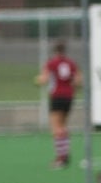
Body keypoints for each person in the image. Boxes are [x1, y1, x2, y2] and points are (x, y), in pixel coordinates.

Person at [34, 41, 81, 169]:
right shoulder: (71, 63)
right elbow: (78, 81)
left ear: (55, 51)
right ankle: (65, 153)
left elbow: (44, 79)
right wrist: (71, 88)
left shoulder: (51, 63)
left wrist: (37, 80)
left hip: (56, 96)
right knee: (63, 126)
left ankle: (61, 158)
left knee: (56, 127)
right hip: (69, 97)